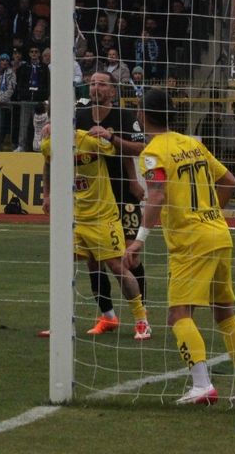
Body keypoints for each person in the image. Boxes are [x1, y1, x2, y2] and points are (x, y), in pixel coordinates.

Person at [124, 88, 235, 406]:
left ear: (142, 115)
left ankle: (202, 385)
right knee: (225, 314)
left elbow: (156, 194)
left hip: (190, 242)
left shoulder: (153, 152)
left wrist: (139, 239)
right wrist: (210, 214)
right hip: (218, 234)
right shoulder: (193, 144)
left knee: (178, 314)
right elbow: (229, 181)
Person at [40, 125, 150, 341]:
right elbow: (47, 164)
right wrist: (47, 194)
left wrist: (110, 136)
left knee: (117, 267)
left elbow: (120, 151)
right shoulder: (50, 144)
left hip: (103, 217)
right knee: (64, 267)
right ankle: (62, 323)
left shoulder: (90, 141)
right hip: (75, 218)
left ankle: (142, 320)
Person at [76, 72, 148, 333]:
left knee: (129, 257)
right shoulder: (79, 116)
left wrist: (111, 138)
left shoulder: (124, 116)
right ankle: (107, 316)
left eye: (102, 84)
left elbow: (140, 149)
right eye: (92, 83)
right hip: (93, 198)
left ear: (113, 91)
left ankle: (142, 316)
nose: (96, 87)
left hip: (122, 192)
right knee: (93, 259)